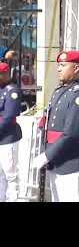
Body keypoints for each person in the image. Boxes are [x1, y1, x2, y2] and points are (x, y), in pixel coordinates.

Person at [33, 51, 79, 202]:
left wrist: (47, 155)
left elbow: (72, 133)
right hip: (58, 161)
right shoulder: (60, 91)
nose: (59, 69)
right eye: (58, 65)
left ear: (76, 68)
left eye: (63, 65)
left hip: (72, 162)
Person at [0, 62, 22, 202]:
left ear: (5, 74)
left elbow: (8, 117)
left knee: (10, 175)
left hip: (7, 138)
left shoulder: (12, 91)